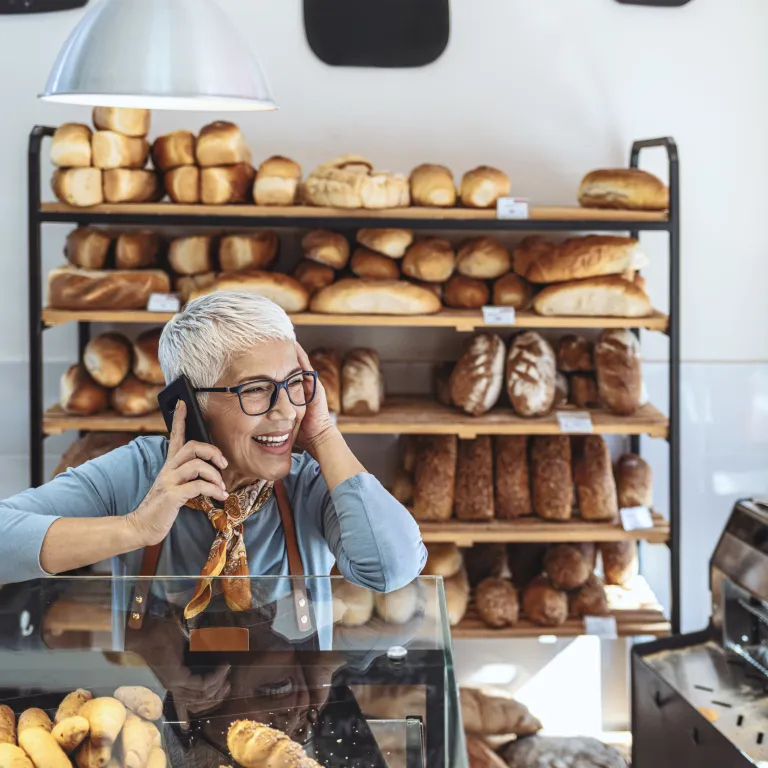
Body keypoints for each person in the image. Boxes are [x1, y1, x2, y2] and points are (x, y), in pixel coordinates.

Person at [0, 291, 426, 602]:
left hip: (290, 703)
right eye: (255, 389)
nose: (285, 411)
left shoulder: (312, 482)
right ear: (188, 405)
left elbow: (391, 569)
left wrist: (324, 434)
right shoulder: (137, 472)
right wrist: (135, 528)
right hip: (150, 702)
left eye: (295, 383)